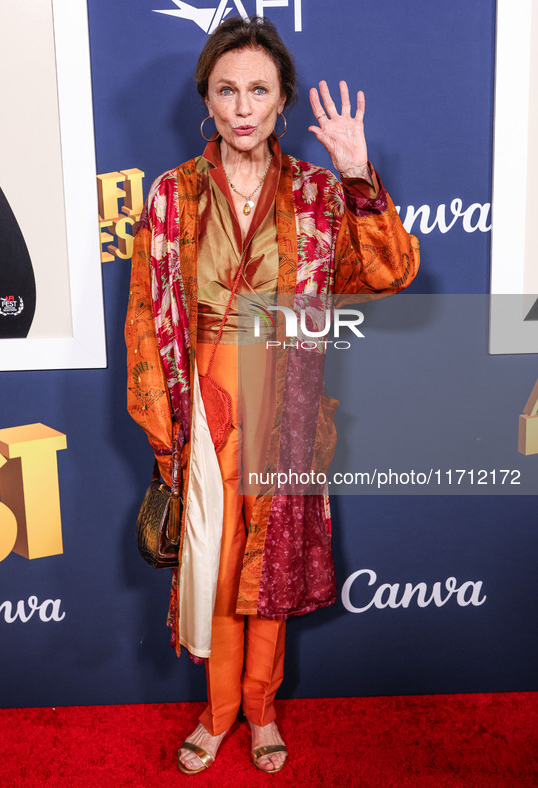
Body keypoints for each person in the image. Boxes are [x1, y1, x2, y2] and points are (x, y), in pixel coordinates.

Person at [125, 15, 419, 775]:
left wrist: (358, 175)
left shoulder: (321, 193)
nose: (243, 105)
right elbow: (143, 318)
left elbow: (387, 276)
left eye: (259, 89)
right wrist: (166, 435)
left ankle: (260, 711)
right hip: (206, 407)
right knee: (218, 568)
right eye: (228, 90)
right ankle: (217, 712)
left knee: (270, 567)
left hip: (286, 404)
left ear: (282, 99)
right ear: (208, 101)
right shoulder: (170, 196)